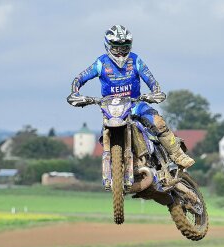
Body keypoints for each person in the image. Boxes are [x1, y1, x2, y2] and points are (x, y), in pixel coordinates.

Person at [67, 24, 194, 168]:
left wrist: (155, 92)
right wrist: (75, 93)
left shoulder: (135, 60)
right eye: (116, 48)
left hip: (136, 104)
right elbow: (80, 78)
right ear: (108, 46)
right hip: (111, 108)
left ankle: (177, 154)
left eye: (125, 48)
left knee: (158, 122)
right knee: (105, 131)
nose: (121, 53)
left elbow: (150, 79)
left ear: (130, 46)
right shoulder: (101, 63)